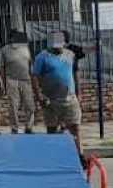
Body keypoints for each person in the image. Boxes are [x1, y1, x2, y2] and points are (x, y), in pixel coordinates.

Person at [31, 32, 85, 163]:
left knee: (75, 127)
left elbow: (75, 73)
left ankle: (80, 156)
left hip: (70, 98)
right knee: (52, 129)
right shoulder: (42, 57)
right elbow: (34, 76)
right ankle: (54, 159)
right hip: (51, 100)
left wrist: (79, 93)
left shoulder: (70, 55)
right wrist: (39, 96)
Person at [0, 30, 35, 134]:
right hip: (11, 80)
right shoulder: (4, 50)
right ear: (10, 38)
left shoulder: (26, 48)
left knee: (29, 105)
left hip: (26, 80)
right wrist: (3, 83)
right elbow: (2, 68)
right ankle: (14, 128)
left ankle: (29, 127)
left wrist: (33, 79)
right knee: (13, 105)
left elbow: (30, 64)